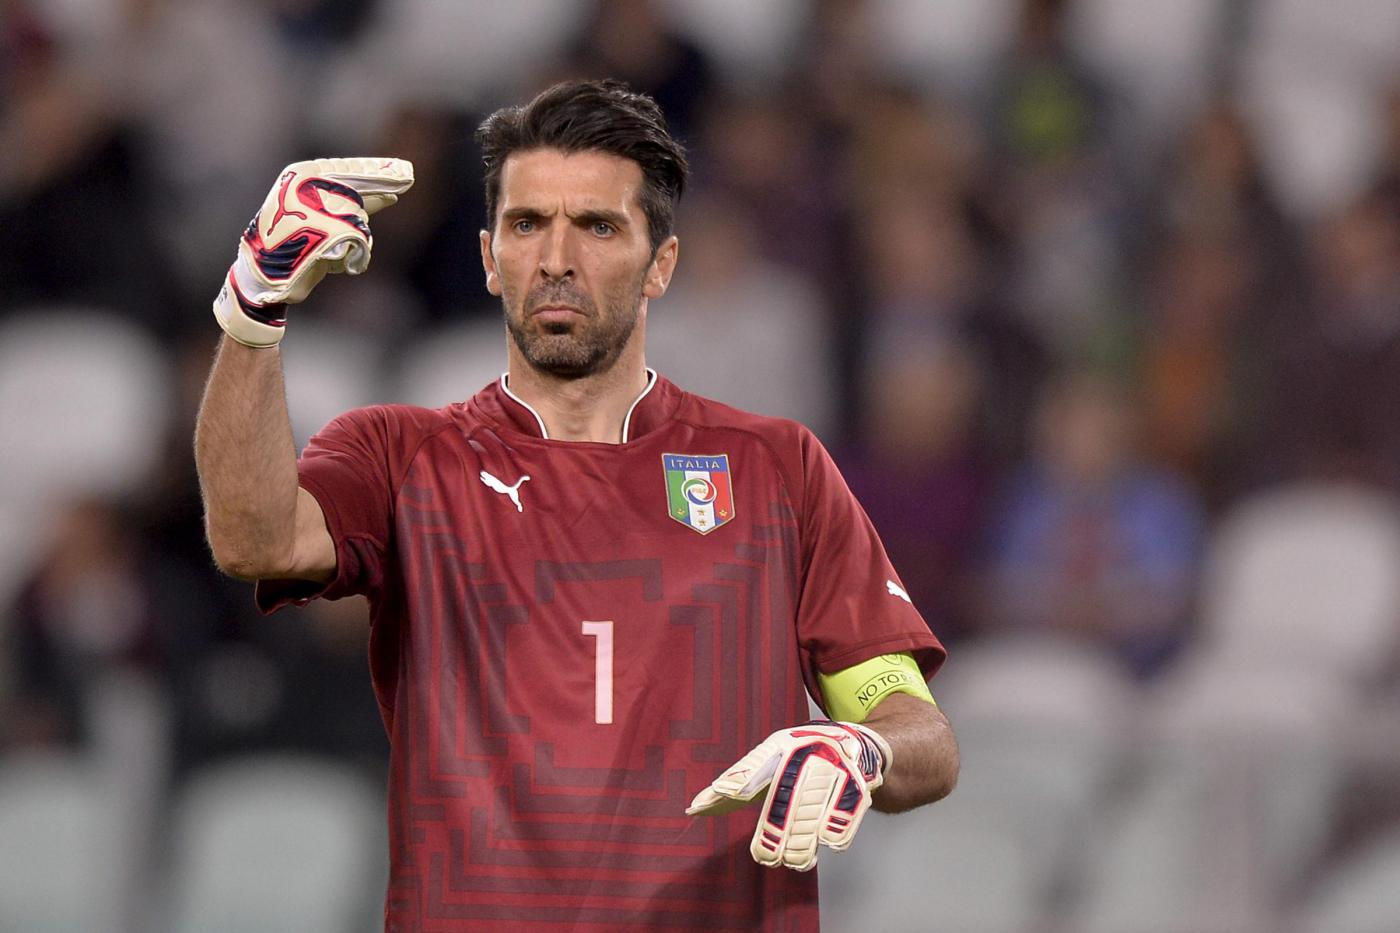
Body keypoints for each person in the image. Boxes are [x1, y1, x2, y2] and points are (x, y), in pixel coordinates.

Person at [194, 78, 958, 932]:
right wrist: (252, 311)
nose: (556, 257)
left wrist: (864, 746)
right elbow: (253, 539)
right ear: (490, 258)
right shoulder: (403, 455)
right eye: (527, 224)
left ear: (661, 263)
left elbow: (918, 733)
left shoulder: (778, 470)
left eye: (597, 226)